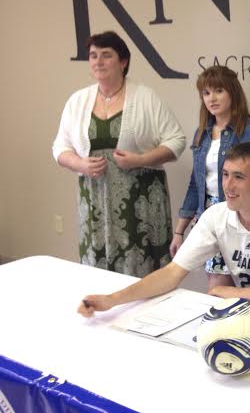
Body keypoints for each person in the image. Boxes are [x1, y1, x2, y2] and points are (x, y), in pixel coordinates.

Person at [78, 143, 250, 318]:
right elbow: (172, 273)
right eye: (225, 175)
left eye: (239, 177)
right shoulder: (216, 216)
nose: (228, 185)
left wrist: (221, 290)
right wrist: (112, 300)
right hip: (246, 308)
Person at [53, 31, 186, 277]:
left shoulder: (145, 97)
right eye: (93, 56)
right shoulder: (78, 101)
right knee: (97, 274)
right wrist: (80, 165)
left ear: (123, 61)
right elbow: (60, 148)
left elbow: (177, 141)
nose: (98, 61)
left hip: (140, 204)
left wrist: (140, 160)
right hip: (95, 202)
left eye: (106, 55)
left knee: (141, 274)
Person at [170, 65, 250, 291]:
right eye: (206, 93)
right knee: (217, 289)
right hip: (209, 216)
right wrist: (179, 231)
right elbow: (196, 184)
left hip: (243, 217)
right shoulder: (202, 133)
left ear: (232, 92)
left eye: (219, 91)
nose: (212, 98)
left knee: (245, 289)